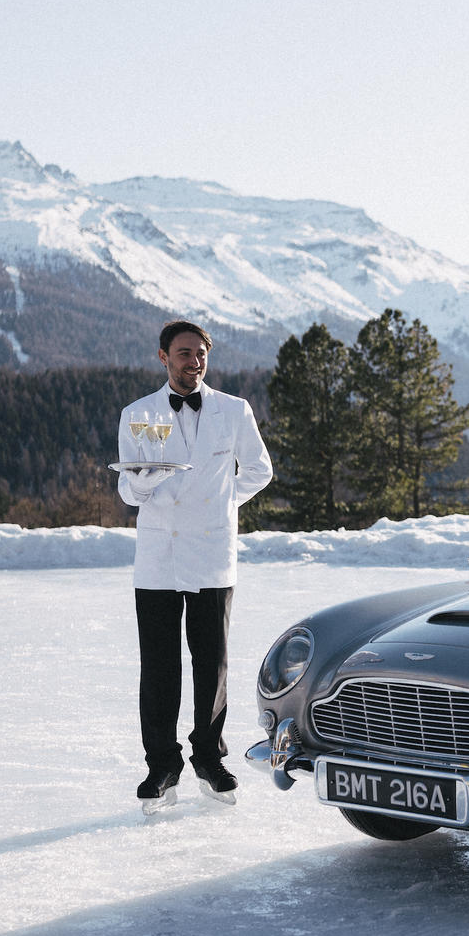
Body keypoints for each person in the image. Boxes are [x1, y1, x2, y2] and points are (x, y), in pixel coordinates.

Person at [117, 321, 273, 816]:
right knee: (159, 667)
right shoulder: (137, 414)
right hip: (160, 555)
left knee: (212, 664)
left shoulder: (234, 410)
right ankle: (161, 765)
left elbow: (259, 470)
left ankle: (209, 755)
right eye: (184, 353)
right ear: (163, 358)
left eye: (201, 354)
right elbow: (126, 491)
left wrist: (223, 507)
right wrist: (141, 483)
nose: (194, 362)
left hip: (211, 551)